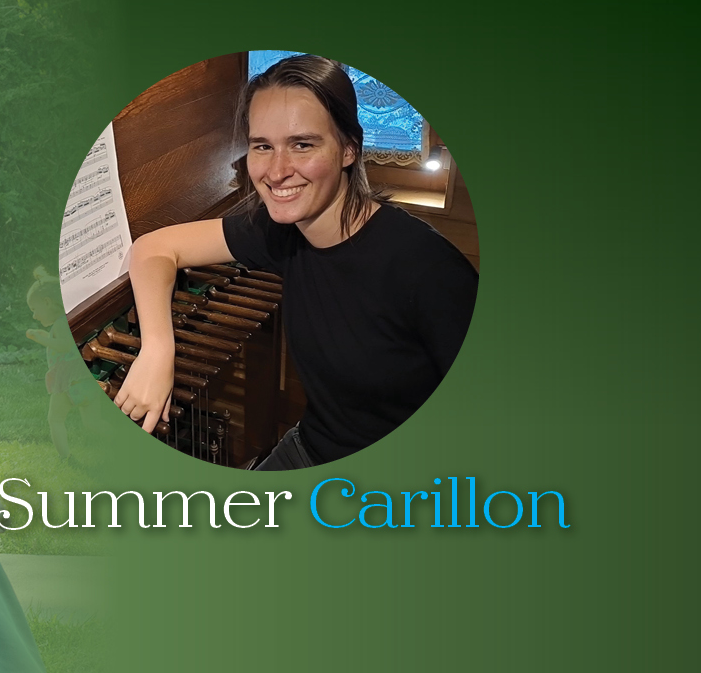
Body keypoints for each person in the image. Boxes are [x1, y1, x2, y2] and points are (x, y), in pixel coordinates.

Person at [115, 54, 478, 470]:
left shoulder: (428, 269)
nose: (277, 171)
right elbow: (154, 248)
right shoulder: (281, 229)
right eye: (262, 147)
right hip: (312, 445)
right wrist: (159, 349)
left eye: (302, 144)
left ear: (348, 149)